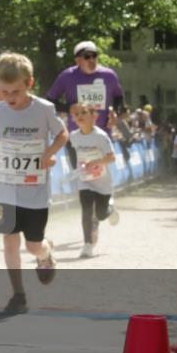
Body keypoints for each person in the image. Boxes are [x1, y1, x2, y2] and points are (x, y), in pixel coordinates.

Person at [0, 53, 68, 314]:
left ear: (30, 83)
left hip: (35, 192)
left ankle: (46, 254)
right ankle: (18, 294)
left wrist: (48, 153)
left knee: (33, 245)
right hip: (5, 188)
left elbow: (62, 134)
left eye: (15, 91)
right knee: (9, 241)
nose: (10, 97)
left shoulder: (44, 109)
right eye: (4, 92)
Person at [47, 41, 124, 171]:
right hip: (77, 138)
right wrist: (68, 108)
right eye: (87, 56)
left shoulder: (109, 75)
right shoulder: (67, 76)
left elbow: (119, 97)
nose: (92, 60)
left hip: (102, 136)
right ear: (78, 59)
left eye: (94, 55)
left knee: (100, 179)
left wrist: (115, 112)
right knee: (82, 177)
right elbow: (50, 101)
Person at [69, 102, 117, 258]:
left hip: (102, 182)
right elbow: (74, 154)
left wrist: (96, 162)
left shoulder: (100, 136)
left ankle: (110, 208)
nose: (80, 116)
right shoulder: (74, 136)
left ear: (93, 116)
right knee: (86, 211)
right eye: (77, 115)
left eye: (83, 113)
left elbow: (112, 157)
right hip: (85, 180)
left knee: (101, 214)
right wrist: (77, 169)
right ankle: (88, 244)